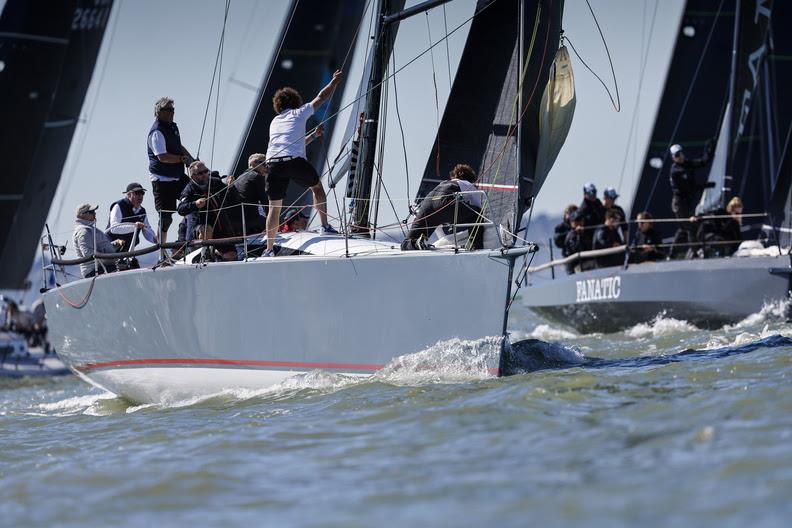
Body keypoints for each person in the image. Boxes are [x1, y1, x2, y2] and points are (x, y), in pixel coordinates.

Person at [263, 71, 342, 257]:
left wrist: (313, 136)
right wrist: (334, 82)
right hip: (293, 161)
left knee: (274, 208)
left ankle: (268, 250)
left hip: (273, 164)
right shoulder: (300, 112)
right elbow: (321, 97)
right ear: (295, 101)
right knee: (317, 188)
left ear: (278, 105)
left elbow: (292, 143)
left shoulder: (275, 121)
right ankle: (324, 226)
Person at [147, 97, 194, 256]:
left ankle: (189, 241)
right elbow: (162, 156)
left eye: (173, 110)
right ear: (159, 113)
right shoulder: (157, 132)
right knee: (166, 218)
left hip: (178, 176)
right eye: (169, 110)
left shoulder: (172, 127)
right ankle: (162, 254)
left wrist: (192, 160)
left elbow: (178, 146)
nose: (173, 113)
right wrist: (182, 159)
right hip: (162, 180)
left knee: (196, 200)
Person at [401, 164, 484, 251]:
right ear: (471, 179)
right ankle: (477, 247)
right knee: (477, 214)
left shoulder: (444, 182)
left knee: (407, 242)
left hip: (428, 203)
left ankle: (414, 244)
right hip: (445, 204)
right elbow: (478, 209)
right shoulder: (468, 184)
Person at [178, 161, 241, 260]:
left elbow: (232, 198)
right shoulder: (189, 189)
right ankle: (206, 254)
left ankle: (215, 253)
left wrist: (231, 187)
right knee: (206, 229)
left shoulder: (215, 182)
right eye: (200, 173)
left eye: (206, 171)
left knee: (231, 256)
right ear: (193, 176)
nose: (204, 174)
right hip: (200, 226)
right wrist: (195, 204)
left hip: (220, 226)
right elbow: (181, 209)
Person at [668, 143, 715, 256]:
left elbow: (702, 163)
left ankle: (672, 253)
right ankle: (696, 251)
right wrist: (705, 185)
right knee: (690, 226)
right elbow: (689, 188)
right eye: (676, 155)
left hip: (688, 202)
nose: (680, 156)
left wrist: (709, 152)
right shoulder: (676, 171)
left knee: (684, 228)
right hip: (679, 203)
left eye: (680, 153)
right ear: (673, 157)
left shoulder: (686, 163)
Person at [73, 204, 123, 278]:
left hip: (104, 266)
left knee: (130, 265)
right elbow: (88, 254)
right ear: (82, 215)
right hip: (94, 271)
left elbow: (100, 248)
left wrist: (115, 244)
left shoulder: (90, 228)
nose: (95, 214)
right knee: (125, 269)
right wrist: (111, 257)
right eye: (92, 212)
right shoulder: (83, 231)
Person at [107, 183, 157, 252]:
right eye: (137, 193)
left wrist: (155, 239)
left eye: (142, 193)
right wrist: (134, 226)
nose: (140, 195)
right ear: (129, 195)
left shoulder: (142, 211)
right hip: (111, 249)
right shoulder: (118, 206)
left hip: (128, 250)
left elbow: (147, 229)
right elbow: (114, 228)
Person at [577, 182, 605, 247]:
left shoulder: (598, 202)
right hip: (590, 239)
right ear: (584, 194)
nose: (593, 194)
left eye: (594, 192)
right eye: (590, 193)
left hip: (601, 235)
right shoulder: (583, 208)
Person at [562, 210, 588, 274]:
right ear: (571, 222)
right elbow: (576, 249)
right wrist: (579, 235)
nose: (579, 222)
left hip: (586, 264)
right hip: (575, 268)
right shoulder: (571, 236)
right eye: (576, 220)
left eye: (581, 220)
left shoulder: (585, 232)